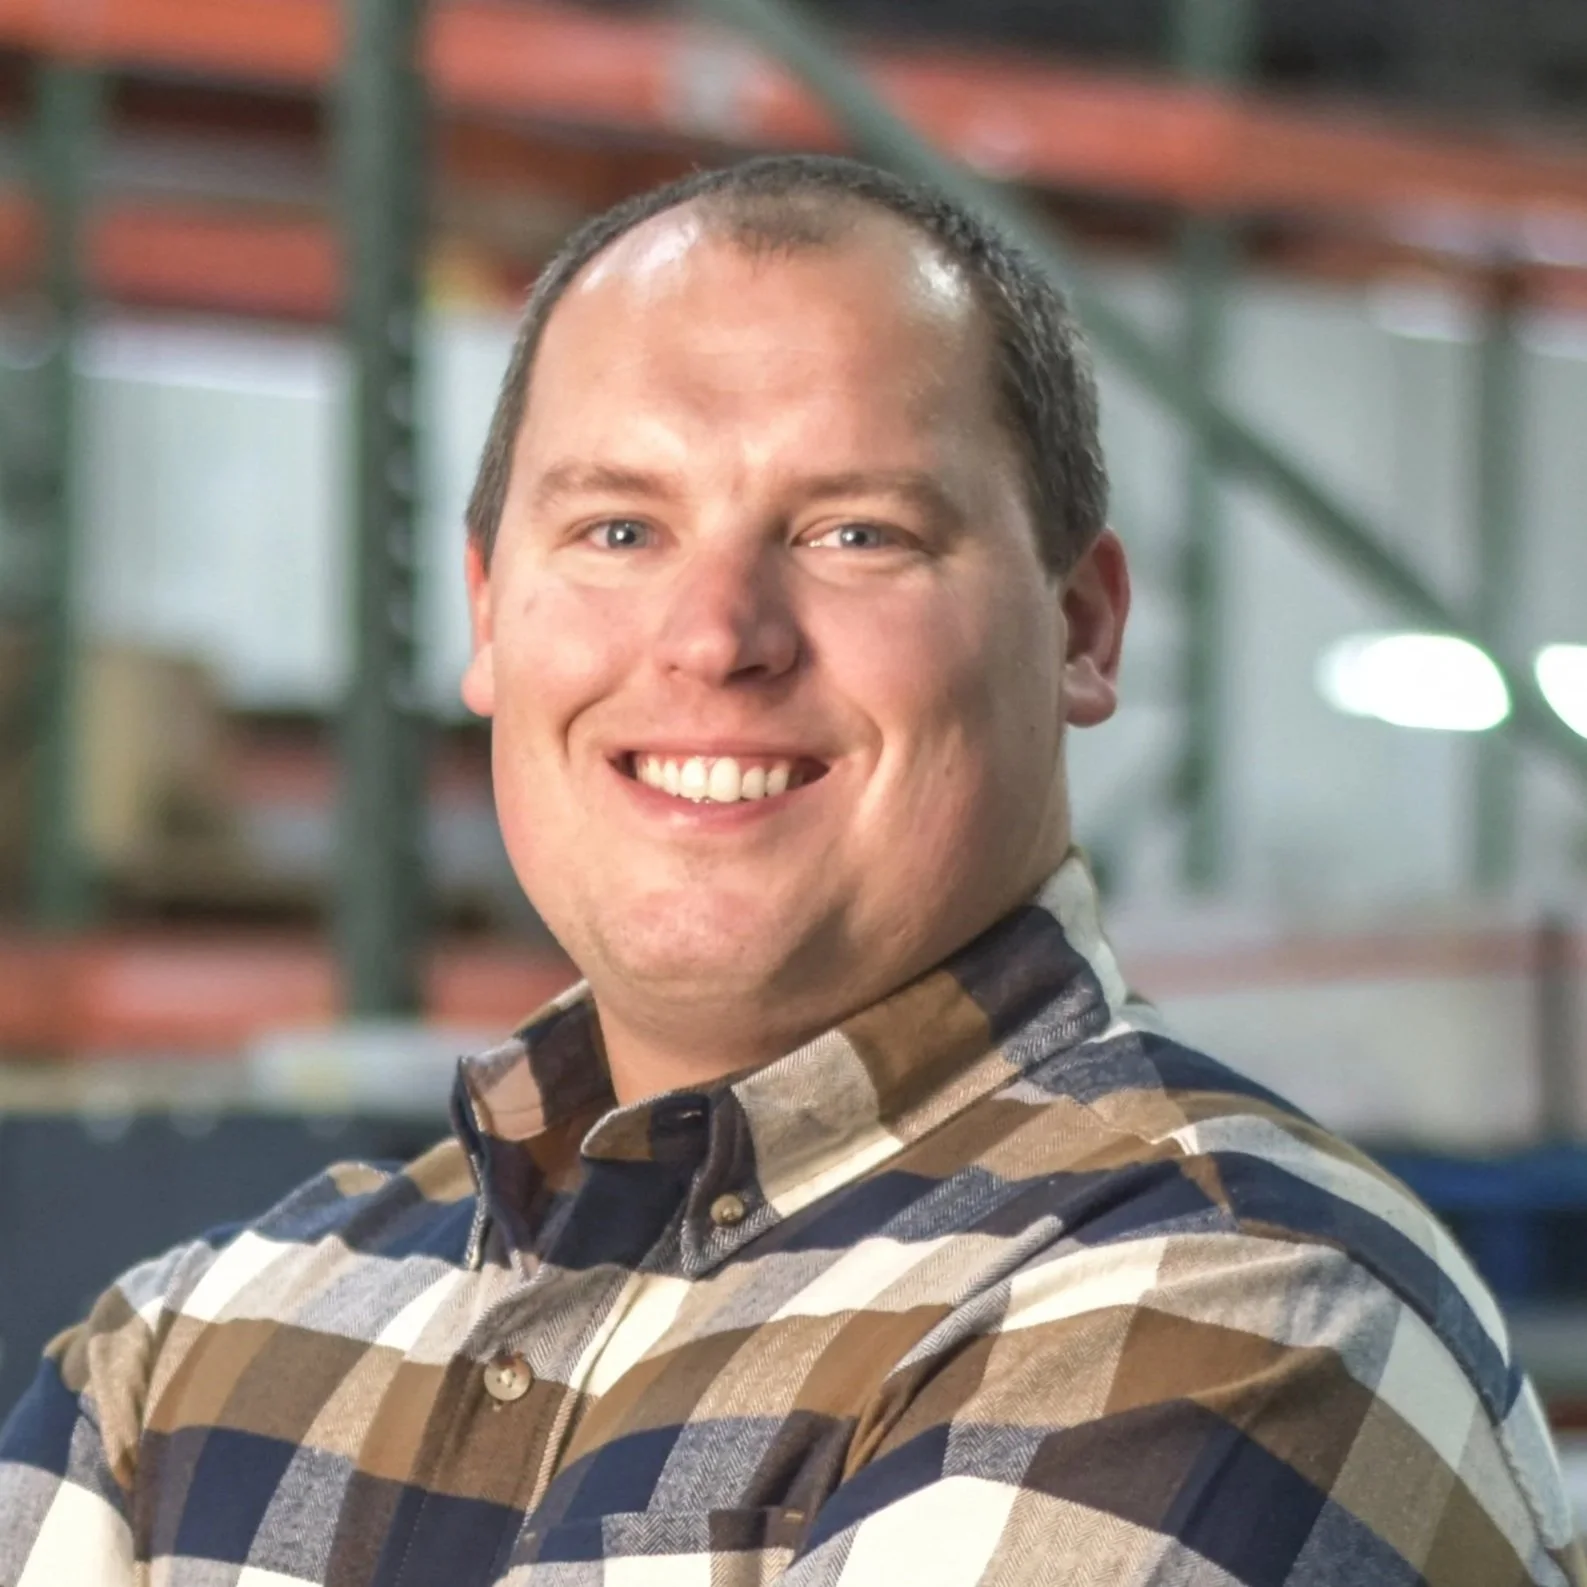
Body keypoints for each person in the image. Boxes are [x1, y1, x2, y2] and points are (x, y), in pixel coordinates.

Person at [1, 154, 1580, 1587]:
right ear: (486, 615)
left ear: (1081, 627)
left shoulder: (1229, 1311)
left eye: (854, 534)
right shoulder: (192, 1345)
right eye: (619, 531)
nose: (715, 637)